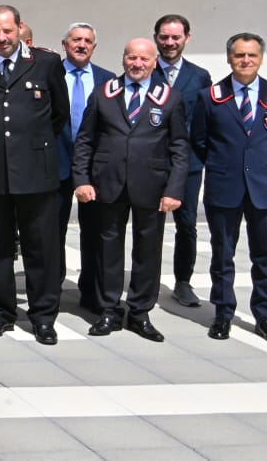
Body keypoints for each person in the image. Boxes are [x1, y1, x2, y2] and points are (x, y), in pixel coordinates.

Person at [0, 5, 69, 345]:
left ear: (19, 28)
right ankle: (1, 313)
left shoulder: (46, 63)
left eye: (7, 31)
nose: (2, 38)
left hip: (37, 174)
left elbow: (59, 115)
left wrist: (31, 148)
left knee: (41, 250)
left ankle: (43, 316)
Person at [72, 38, 188, 342]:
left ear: (154, 62)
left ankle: (139, 312)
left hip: (152, 186)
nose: (137, 64)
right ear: (123, 59)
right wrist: (81, 180)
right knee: (107, 250)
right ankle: (109, 309)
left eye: (144, 59)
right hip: (107, 185)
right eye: (131, 58)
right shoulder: (104, 94)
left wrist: (175, 188)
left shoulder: (170, 98)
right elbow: (85, 140)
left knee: (147, 251)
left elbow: (179, 147)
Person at [192, 32, 267, 344]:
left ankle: (264, 315)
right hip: (225, 186)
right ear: (229, 58)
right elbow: (200, 141)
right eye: (239, 55)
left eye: (252, 55)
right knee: (222, 254)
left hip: (266, 189)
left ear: (261, 59)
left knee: (264, 257)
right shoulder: (211, 96)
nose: (245, 61)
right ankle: (223, 314)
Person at [154, 14, 212, 308]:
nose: (169, 43)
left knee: (186, 224)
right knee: (149, 224)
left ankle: (183, 281)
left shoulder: (199, 76)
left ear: (187, 38)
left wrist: (198, 156)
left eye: (175, 37)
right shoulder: (143, 70)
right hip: (149, 164)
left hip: (187, 165)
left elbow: (204, 121)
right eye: (164, 37)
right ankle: (148, 280)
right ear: (156, 38)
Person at [57, 23, 115, 312]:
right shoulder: (49, 74)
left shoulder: (108, 80)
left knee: (94, 231)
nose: (81, 45)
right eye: (76, 40)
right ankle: (51, 289)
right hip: (54, 162)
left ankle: (91, 291)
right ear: (64, 44)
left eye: (88, 41)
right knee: (51, 230)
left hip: (94, 168)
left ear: (95, 46)